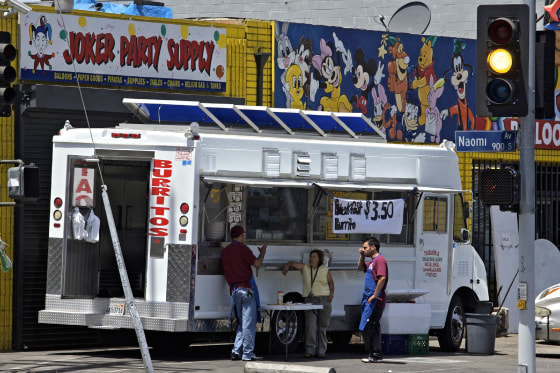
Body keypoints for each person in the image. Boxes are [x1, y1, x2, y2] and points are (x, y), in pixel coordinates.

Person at [221, 225, 267, 361]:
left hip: (235, 291)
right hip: (247, 290)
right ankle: (247, 354)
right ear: (240, 236)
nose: (244, 237)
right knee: (249, 324)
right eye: (243, 235)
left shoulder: (225, 251)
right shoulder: (243, 249)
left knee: (242, 323)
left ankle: (236, 351)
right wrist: (263, 252)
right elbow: (257, 264)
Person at [282, 249, 334, 358]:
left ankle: (321, 351)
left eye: (314, 257)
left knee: (322, 327)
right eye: (310, 256)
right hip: (310, 300)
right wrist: (287, 266)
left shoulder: (325, 270)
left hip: (323, 299)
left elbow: (331, 283)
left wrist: (331, 295)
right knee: (310, 326)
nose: (311, 258)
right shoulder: (305, 268)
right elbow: (292, 263)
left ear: (319, 259)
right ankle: (310, 350)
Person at [358, 236, 388, 363]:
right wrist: (362, 256)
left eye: (365, 248)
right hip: (368, 298)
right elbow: (360, 268)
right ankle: (374, 354)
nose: (364, 249)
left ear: (373, 247)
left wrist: (375, 295)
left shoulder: (380, 260)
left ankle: (376, 354)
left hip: (375, 300)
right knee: (369, 326)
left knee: (370, 326)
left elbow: (382, 278)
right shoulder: (371, 262)